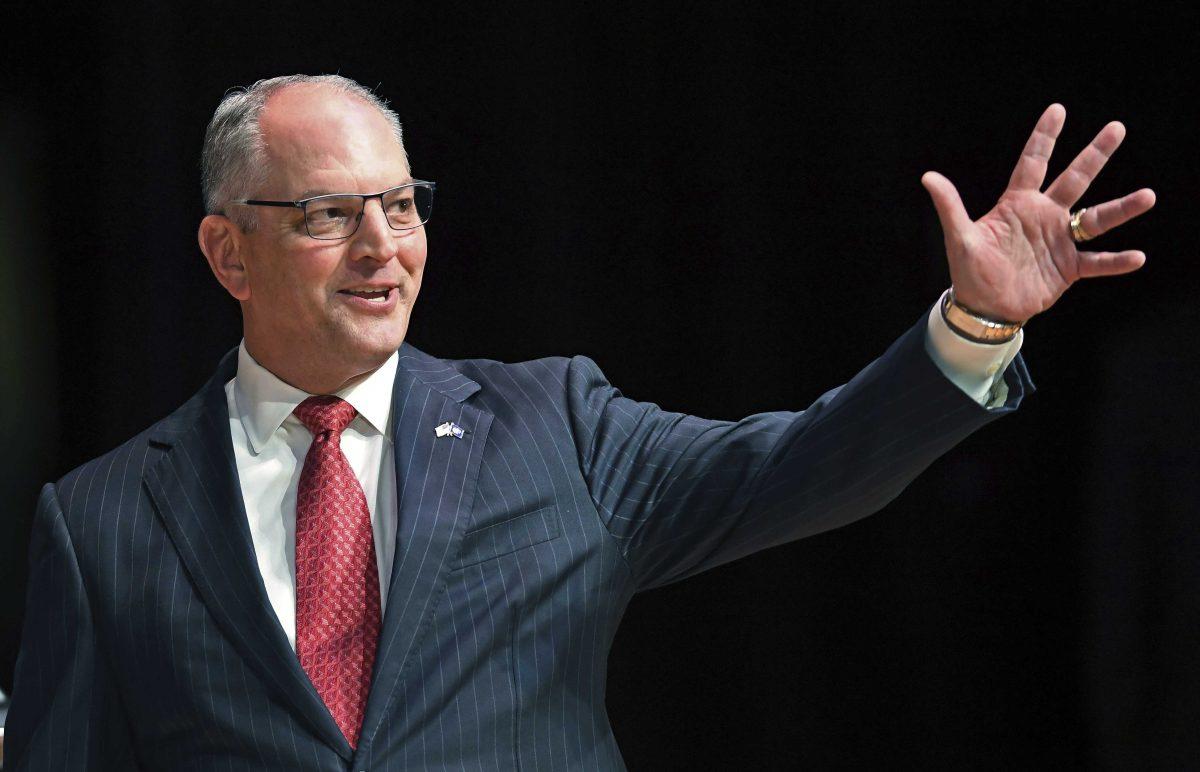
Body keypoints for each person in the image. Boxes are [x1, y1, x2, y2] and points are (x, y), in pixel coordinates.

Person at [4, 74, 1154, 770]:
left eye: (402, 205)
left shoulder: (555, 426)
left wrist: (972, 325)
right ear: (226, 252)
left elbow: (800, 464)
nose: (382, 248)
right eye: (327, 213)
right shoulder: (100, 519)